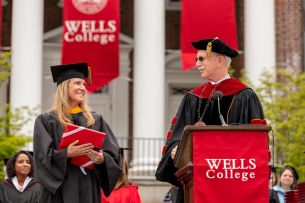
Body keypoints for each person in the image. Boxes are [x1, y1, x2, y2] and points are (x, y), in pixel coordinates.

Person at [155, 37, 266, 203]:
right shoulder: (192, 98)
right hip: (196, 181)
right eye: (196, 59)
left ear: (220, 60)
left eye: (201, 59)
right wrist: (175, 150)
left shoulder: (245, 96)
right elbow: (177, 135)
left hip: (231, 181)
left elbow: (255, 143)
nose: (198, 64)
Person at [33, 62, 122, 203]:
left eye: (84, 84)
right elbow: (41, 157)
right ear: (64, 87)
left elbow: (114, 154)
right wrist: (66, 154)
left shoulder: (95, 120)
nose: (82, 88)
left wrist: (102, 159)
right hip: (59, 190)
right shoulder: (46, 120)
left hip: (87, 186)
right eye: (77, 83)